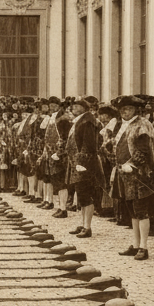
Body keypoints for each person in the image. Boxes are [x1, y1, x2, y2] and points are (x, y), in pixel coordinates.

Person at [111, 94, 154, 261]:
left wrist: (131, 164)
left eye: (129, 109)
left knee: (141, 211)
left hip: (140, 175)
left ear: (136, 110)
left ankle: (144, 247)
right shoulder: (122, 125)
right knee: (132, 211)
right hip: (124, 175)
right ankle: (135, 243)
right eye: (122, 109)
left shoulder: (142, 125)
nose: (125, 112)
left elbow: (144, 151)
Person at [67, 96, 100, 237]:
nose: (74, 107)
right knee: (81, 196)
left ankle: (87, 227)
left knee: (86, 196)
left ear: (84, 108)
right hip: (77, 164)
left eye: (77, 105)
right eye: (73, 106)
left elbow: (89, 145)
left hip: (84, 164)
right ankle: (83, 224)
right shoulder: (80, 120)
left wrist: (82, 162)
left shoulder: (87, 121)